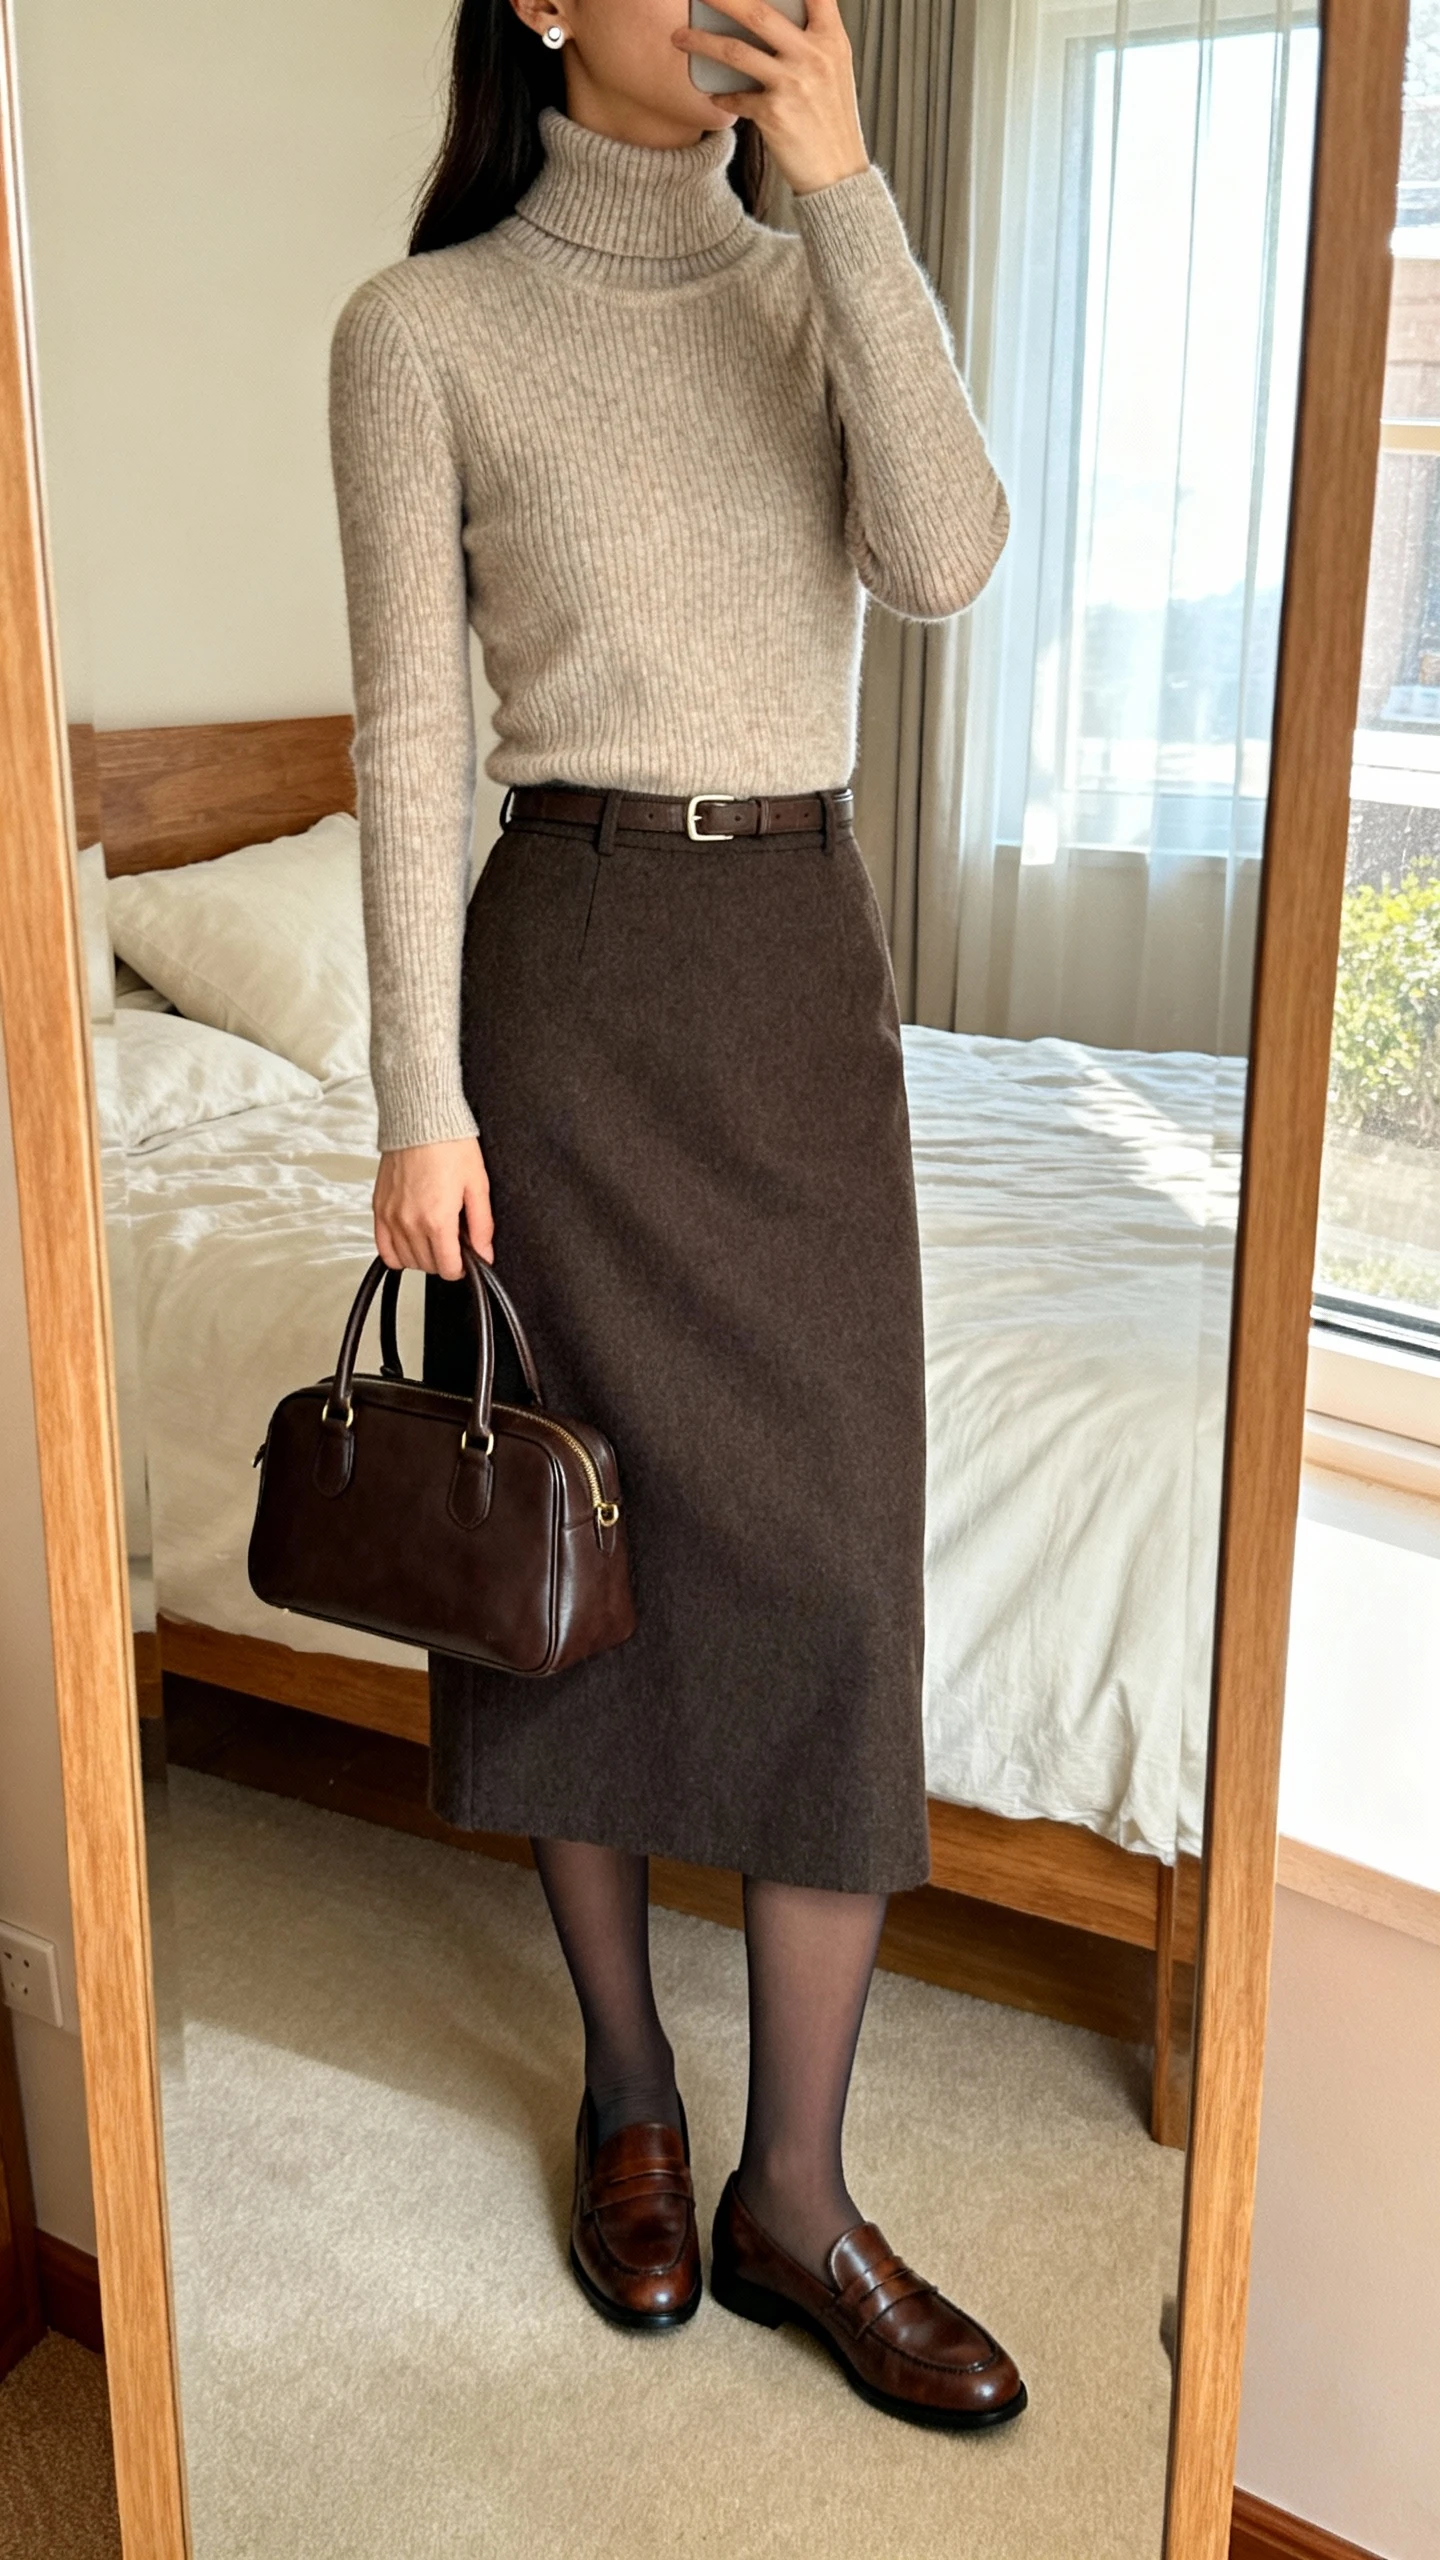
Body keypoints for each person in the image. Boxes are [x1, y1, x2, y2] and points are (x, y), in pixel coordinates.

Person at [329, 0, 1024, 2430]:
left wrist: (848, 194)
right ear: (539, 4)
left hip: (792, 970)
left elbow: (943, 553)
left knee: (834, 1569)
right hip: (567, 979)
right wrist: (417, 1088)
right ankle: (633, 2084)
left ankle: (796, 2190)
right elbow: (409, 735)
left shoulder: (822, 267)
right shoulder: (420, 331)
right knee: (573, 1570)